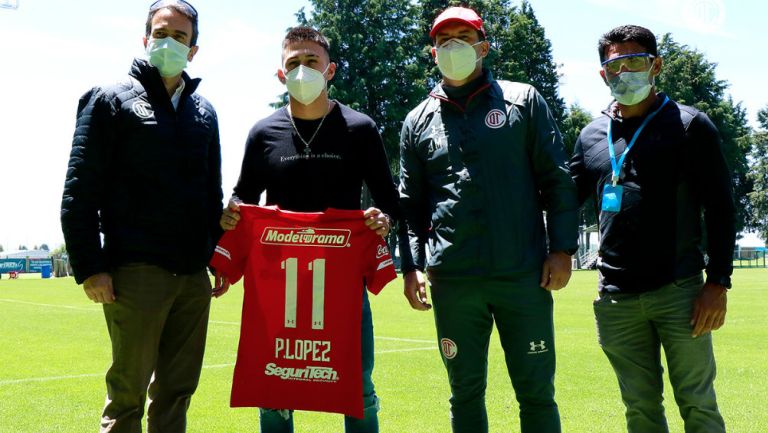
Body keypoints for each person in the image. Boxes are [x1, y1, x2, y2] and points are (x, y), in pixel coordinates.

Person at [398, 6, 579, 433]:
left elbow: (556, 180)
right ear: (433, 51)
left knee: (536, 393)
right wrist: (411, 266)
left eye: (464, 37)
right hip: (454, 281)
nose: (454, 46)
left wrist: (563, 248)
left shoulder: (523, 100)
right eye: (445, 40)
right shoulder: (416, 121)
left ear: (484, 46)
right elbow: (409, 207)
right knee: (464, 393)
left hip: (523, 277)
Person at [216, 26, 399, 433]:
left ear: (330, 69)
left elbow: (388, 199)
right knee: (274, 389)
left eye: (311, 61)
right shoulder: (264, 132)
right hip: (276, 285)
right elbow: (243, 198)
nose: (302, 70)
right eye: (293, 63)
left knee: (358, 387)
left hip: (343, 282)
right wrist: (230, 215)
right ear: (280, 75)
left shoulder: (360, 128)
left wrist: (382, 220)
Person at [60, 1, 222, 431]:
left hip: (192, 277)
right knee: (127, 398)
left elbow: (212, 195)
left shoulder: (204, 112)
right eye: (161, 32)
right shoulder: (109, 100)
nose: (169, 42)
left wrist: (217, 258)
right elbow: (79, 190)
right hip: (135, 273)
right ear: (145, 37)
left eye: (180, 37)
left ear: (194, 49)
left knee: (177, 392)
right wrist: (90, 268)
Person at [569, 25, 735, 433]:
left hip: (679, 293)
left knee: (698, 405)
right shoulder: (591, 135)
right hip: (616, 300)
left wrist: (718, 282)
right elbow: (559, 202)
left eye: (636, 62)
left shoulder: (689, 126)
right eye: (615, 64)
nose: (625, 72)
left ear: (656, 65)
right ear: (602, 73)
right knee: (640, 410)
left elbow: (720, 206)